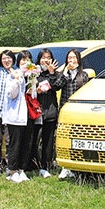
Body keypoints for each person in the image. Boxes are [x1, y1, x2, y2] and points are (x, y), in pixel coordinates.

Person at [56, 48, 90, 180]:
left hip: (79, 112)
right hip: (65, 110)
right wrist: (65, 72)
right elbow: (57, 85)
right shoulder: (63, 74)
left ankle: (78, 166)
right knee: (65, 138)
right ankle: (65, 167)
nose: (71, 60)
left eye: (74, 58)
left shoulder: (84, 75)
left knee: (78, 139)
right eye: (69, 58)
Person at [34, 49, 63, 178]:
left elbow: (57, 86)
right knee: (33, 140)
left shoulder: (56, 73)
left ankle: (46, 165)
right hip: (35, 112)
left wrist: (51, 73)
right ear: (39, 59)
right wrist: (36, 90)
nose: (46, 60)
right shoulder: (33, 73)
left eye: (48, 57)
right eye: (43, 58)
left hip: (50, 111)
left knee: (48, 141)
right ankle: (33, 164)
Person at [1, 64, 29, 182]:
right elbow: (11, 94)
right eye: (23, 61)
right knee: (14, 144)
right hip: (14, 115)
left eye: (27, 60)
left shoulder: (28, 75)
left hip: (26, 115)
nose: (25, 63)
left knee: (24, 144)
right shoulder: (11, 76)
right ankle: (12, 171)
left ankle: (21, 170)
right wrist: (16, 79)